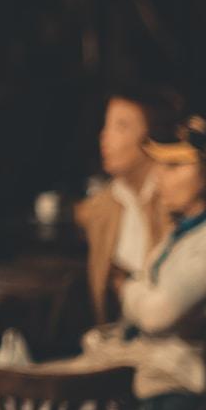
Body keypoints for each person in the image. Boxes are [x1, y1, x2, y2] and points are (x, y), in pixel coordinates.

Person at [82, 116, 206, 410]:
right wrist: (141, 291)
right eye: (158, 166)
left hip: (199, 383)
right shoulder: (185, 231)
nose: (159, 178)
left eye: (174, 167)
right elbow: (148, 300)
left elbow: (157, 315)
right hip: (170, 369)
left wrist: (126, 286)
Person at [75, 86, 177, 324]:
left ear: (152, 136)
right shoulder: (104, 204)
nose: (105, 137)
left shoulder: (176, 202)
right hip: (117, 334)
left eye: (121, 127)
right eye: (106, 125)